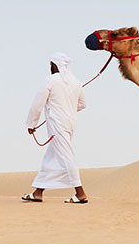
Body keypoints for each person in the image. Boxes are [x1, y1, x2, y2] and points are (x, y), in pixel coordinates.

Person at [23, 53, 89, 203]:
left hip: (58, 124)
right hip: (70, 123)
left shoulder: (51, 80)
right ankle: (38, 192)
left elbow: (37, 104)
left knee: (66, 156)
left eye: (51, 64)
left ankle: (80, 193)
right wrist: (68, 108)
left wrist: (31, 124)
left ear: (55, 65)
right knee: (51, 157)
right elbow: (83, 104)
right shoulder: (76, 82)